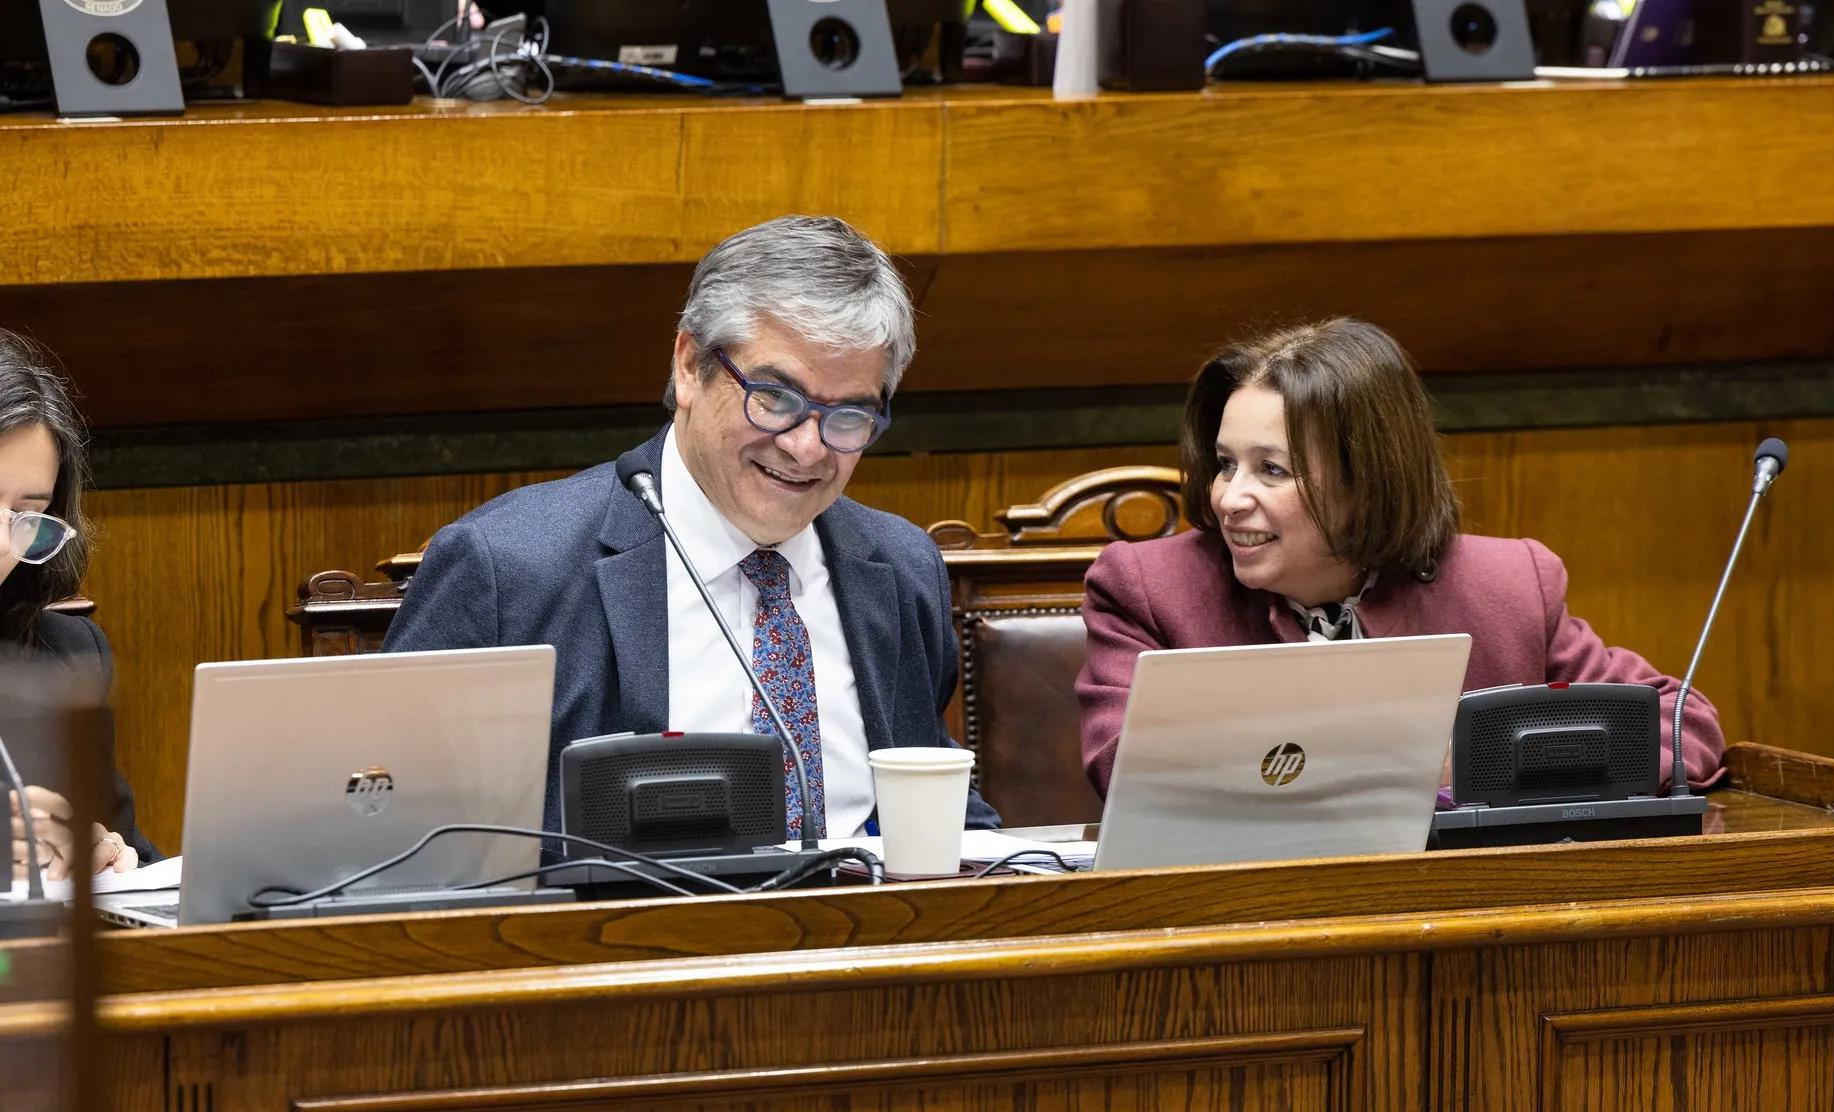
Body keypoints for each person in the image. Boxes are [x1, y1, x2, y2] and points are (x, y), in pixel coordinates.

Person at [384, 215, 997, 836]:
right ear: (689, 367)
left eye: (848, 416)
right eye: (777, 399)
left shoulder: (899, 567)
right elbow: (402, 839)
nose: (809, 449)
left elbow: (941, 815)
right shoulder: (511, 569)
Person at [1077, 317, 1725, 797]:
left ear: (1369, 480)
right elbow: (1126, 766)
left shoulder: (1507, 584)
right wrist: (1397, 761)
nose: (1230, 499)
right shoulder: (1148, 587)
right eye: (1225, 465)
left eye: (1270, 470)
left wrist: (1483, 758)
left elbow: (1680, 725)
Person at [0, 329, 156, 880]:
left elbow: (128, 848)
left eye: (27, 513)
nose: (2, 543)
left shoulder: (66, 655)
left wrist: (109, 856)